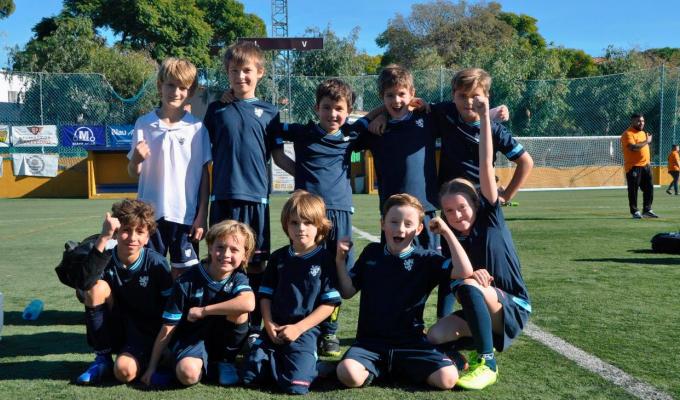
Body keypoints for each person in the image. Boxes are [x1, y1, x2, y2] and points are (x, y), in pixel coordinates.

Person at [426, 93, 531, 390]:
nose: (457, 215)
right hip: (482, 305)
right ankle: (466, 355)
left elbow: (485, 162)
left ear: (475, 203)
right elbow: (458, 279)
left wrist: (485, 117)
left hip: (512, 307)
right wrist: (449, 236)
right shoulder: (452, 236)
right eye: (449, 211)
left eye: (462, 207)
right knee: (434, 336)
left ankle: (488, 362)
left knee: (470, 286)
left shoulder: (490, 218)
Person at [203, 42, 295, 341]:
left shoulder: (270, 112)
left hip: (256, 198)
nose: (240, 76)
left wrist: (305, 177)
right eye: (234, 71)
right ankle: (219, 321)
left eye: (246, 71)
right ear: (227, 73)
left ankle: (253, 326)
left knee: (256, 262)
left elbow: (278, 156)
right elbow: (202, 155)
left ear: (260, 73)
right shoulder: (216, 109)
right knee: (220, 259)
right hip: (223, 197)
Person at [277, 78, 370, 357]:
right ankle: (303, 323)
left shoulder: (352, 134)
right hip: (307, 215)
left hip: (340, 211)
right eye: (327, 107)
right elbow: (270, 126)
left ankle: (330, 330)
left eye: (339, 109)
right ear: (317, 108)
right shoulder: (302, 132)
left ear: (348, 111)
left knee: (338, 271)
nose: (333, 114)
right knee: (306, 267)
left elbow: (375, 118)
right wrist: (301, 175)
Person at [334, 193, 460, 390]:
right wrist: (340, 261)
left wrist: (446, 232)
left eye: (408, 224)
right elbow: (347, 291)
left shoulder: (426, 259)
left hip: (412, 343)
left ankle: (397, 367)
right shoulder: (372, 253)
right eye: (394, 222)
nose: (400, 229)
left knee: (448, 379)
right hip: (370, 344)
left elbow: (463, 271)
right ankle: (386, 368)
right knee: (347, 373)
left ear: (419, 229)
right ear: (383, 224)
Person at [242, 191, 342, 395]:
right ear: (286, 225)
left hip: (305, 330)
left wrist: (298, 328)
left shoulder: (325, 259)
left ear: (319, 225)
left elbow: (329, 305)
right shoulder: (278, 258)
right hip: (275, 328)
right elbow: (265, 296)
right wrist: (269, 324)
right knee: (249, 377)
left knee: (296, 386)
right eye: (294, 223)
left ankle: (314, 367)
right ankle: (282, 359)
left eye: (308, 222)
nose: (301, 228)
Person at [141, 220, 256, 387]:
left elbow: (249, 303)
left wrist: (204, 311)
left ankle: (226, 361)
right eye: (220, 247)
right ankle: (191, 364)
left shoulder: (238, 277)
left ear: (245, 255)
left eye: (234, 250)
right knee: (188, 374)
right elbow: (168, 326)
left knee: (240, 309)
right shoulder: (187, 280)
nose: (226, 254)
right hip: (193, 340)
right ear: (210, 248)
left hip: (223, 341)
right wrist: (152, 367)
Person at [127, 57, 211, 278]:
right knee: (148, 274)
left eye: (183, 87)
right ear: (160, 85)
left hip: (185, 216)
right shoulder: (144, 124)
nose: (176, 92)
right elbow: (134, 172)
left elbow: (204, 175)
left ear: (191, 91)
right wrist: (135, 160)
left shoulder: (197, 128)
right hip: (149, 215)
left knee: (184, 276)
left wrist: (202, 214)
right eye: (171, 85)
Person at [75, 199, 173, 385]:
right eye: (126, 230)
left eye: (140, 232)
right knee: (96, 288)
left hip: (145, 332)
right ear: (117, 232)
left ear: (148, 237)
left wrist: (167, 345)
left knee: (124, 372)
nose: (132, 237)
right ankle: (102, 359)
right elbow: (84, 283)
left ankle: (152, 359)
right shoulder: (105, 257)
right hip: (115, 327)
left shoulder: (156, 263)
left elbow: (170, 308)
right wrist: (104, 237)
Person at [620, 113, 658, 218]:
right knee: (633, 190)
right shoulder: (627, 134)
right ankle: (635, 211)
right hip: (634, 166)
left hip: (646, 166)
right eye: (638, 121)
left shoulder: (643, 133)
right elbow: (633, 148)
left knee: (649, 188)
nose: (641, 123)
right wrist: (647, 141)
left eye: (642, 121)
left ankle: (647, 209)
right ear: (632, 121)